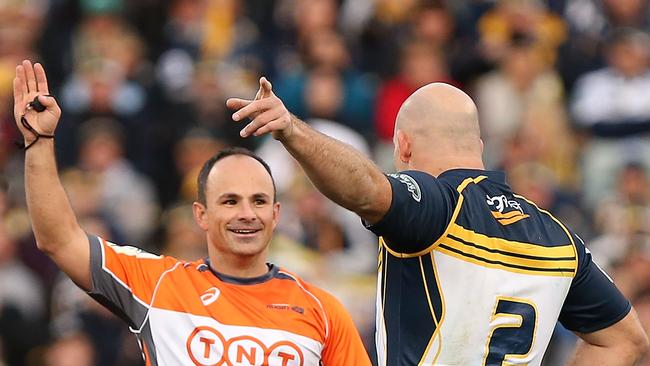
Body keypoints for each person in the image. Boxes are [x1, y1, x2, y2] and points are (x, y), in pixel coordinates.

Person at [226, 76, 650, 365]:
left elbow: (365, 188)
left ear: (404, 147)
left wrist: (292, 131)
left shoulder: (437, 208)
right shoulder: (558, 238)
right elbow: (626, 339)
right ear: (479, 145)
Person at [12, 60, 371, 366]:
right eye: (230, 201)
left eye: (259, 201)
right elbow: (58, 239)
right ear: (200, 215)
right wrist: (38, 142)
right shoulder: (157, 285)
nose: (247, 213)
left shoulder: (323, 311)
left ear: (276, 214)